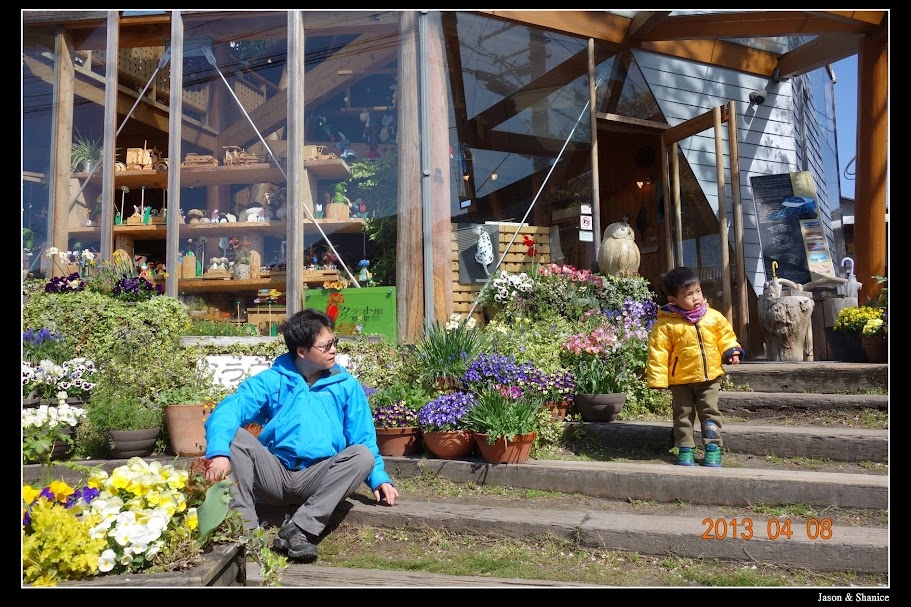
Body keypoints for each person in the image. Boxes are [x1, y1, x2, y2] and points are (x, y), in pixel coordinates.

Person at [203, 308, 398, 563]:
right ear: (302, 351)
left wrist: (379, 478)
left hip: (317, 476)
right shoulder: (272, 381)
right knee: (236, 436)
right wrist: (218, 452)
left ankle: (300, 528)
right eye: (325, 345)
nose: (333, 350)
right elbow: (229, 410)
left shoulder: (346, 386)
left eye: (334, 342)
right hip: (275, 474)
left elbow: (363, 437)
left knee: (362, 456)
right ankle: (245, 531)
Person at [646, 267, 745, 467]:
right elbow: (658, 352)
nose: (696, 297)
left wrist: (732, 350)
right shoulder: (666, 325)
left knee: (709, 412)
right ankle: (685, 448)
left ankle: (713, 448)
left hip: (709, 378)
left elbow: (725, 336)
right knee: (683, 414)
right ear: (673, 300)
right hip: (681, 381)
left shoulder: (713, 316)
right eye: (689, 294)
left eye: (698, 291)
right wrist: (657, 379)